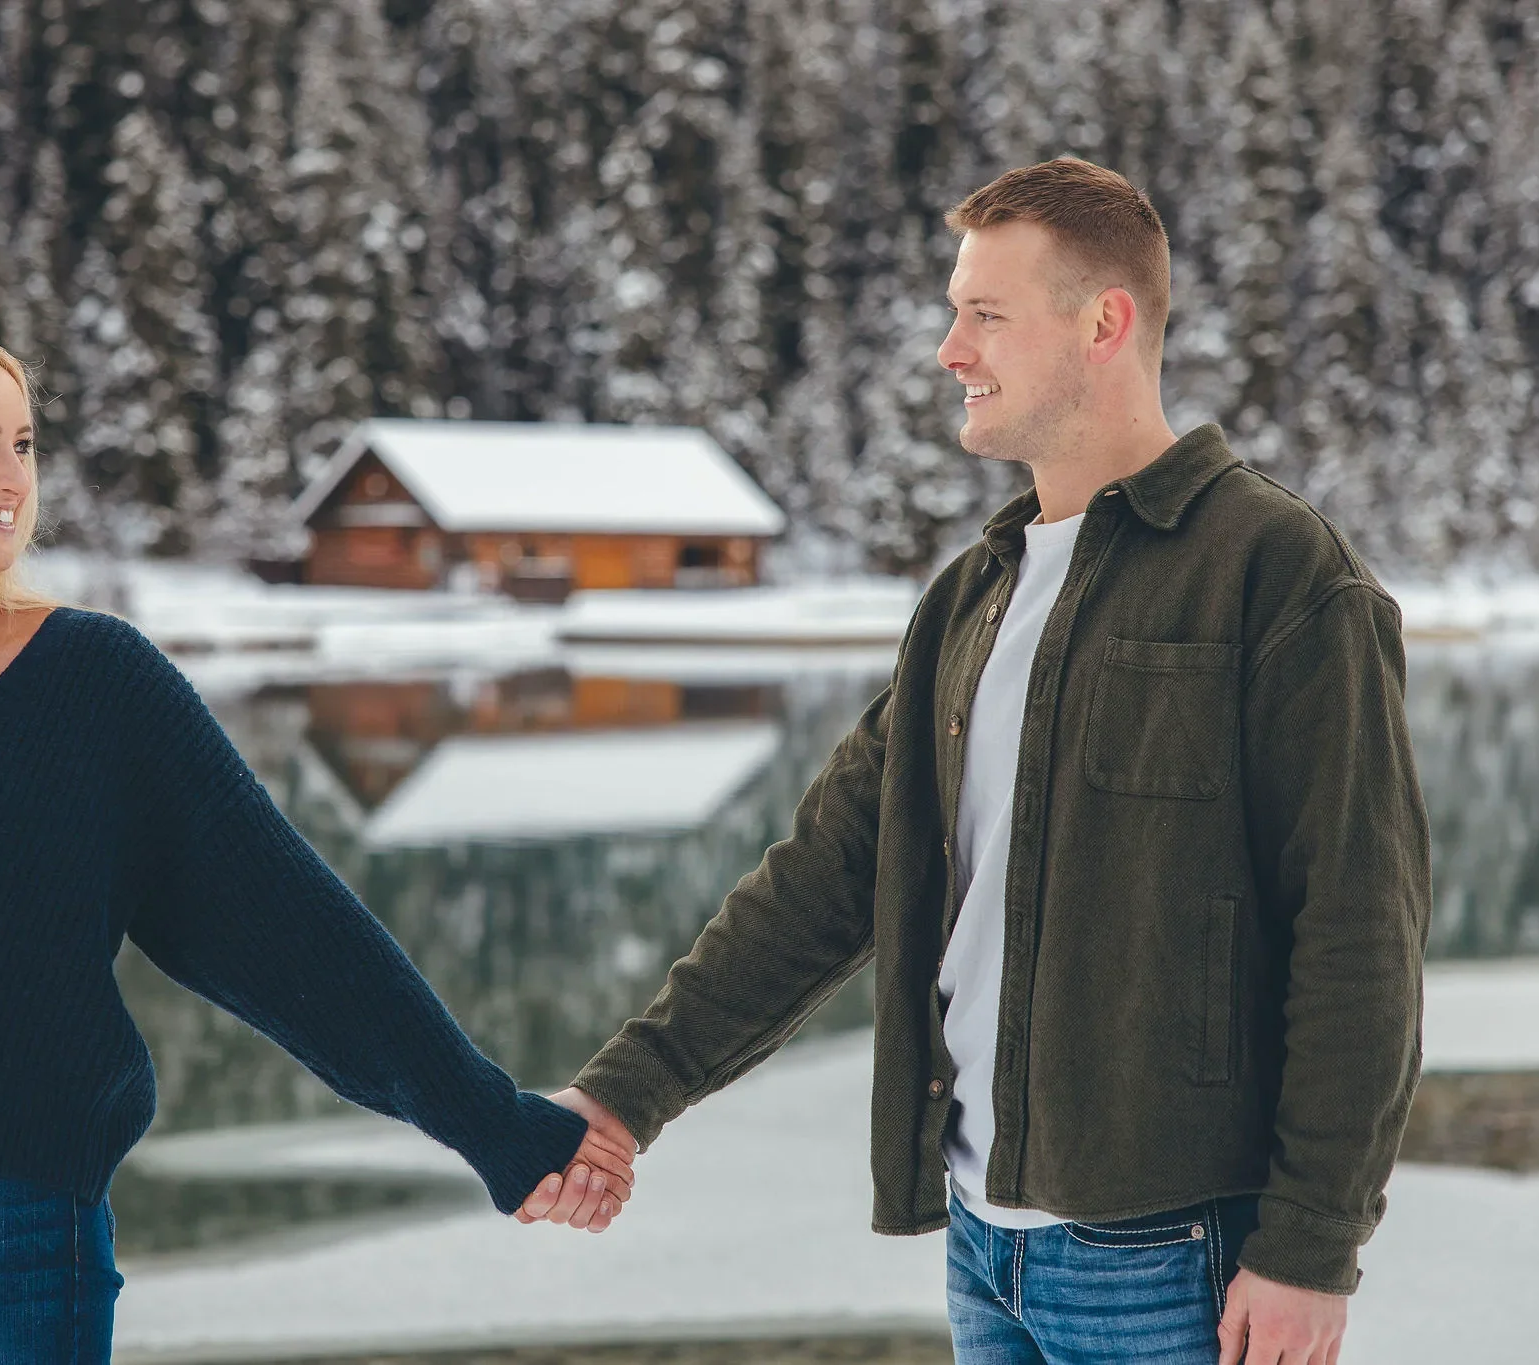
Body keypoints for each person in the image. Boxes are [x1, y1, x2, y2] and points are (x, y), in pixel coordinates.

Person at [520, 158, 1430, 1365]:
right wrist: (624, 1095)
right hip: (982, 1250)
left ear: (1103, 322)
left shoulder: (1276, 573)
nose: (951, 349)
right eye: (956, 312)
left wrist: (1311, 1245)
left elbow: (1359, 934)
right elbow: (828, 875)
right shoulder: (970, 597)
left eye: (984, 315)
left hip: (1172, 1258)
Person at [0, 322, 632, 1365]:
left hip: (13, 1227)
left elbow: (293, 937)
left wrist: (493, 1126)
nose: (10, 475)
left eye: (23, 443)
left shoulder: (94, 685)